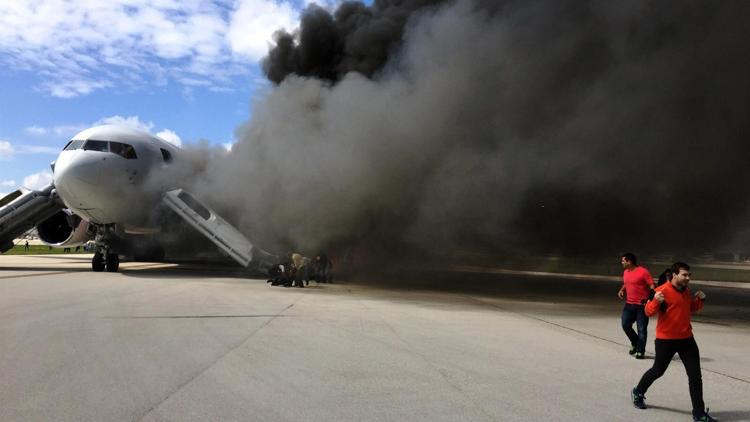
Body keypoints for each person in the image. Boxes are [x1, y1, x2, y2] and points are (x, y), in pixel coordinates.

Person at [631, 262, 716, 421]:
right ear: (674, 275)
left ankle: (699, 413)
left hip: (687, 340)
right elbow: (648, 312)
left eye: (689, 275)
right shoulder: (660, 291)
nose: (688, 278)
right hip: (666, 340)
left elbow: (689, 308)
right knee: (658, 371)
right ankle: (638, 391)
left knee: (695, 376)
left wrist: (700, 300)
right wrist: (656, 301)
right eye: (684, 275)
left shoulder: (686, 291)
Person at [617, 253, 654, 359]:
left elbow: (651, 284)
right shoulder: (626, 272)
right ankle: (635, 342)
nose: (622, 262)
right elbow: (627, 283)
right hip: (629, 304)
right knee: (625, 325)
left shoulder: (643, 271)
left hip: (641, 306)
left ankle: (640, 350)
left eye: (623, 261)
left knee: (641, 329)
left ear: (629, 262)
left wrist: (650, 297)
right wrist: (622, 289)